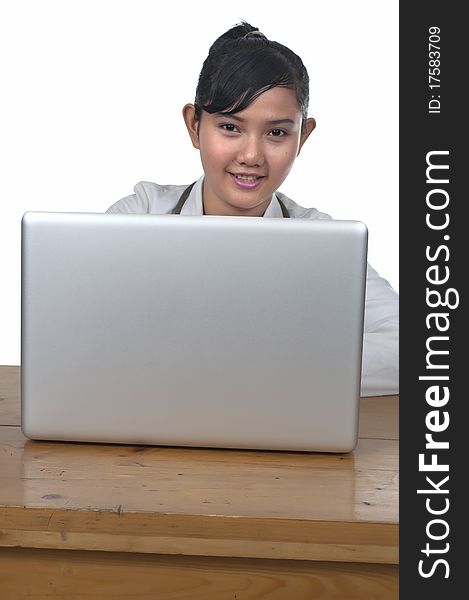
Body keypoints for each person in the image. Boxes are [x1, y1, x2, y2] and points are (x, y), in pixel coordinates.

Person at [106, 20, 398, 397]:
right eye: (230, 127)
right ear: (195, 126)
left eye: (277, 133)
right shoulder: (140, 215)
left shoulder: (323, 242)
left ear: (303, 137)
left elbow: (420, 348)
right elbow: (76, 331)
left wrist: (255, 362)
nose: (251, 156)